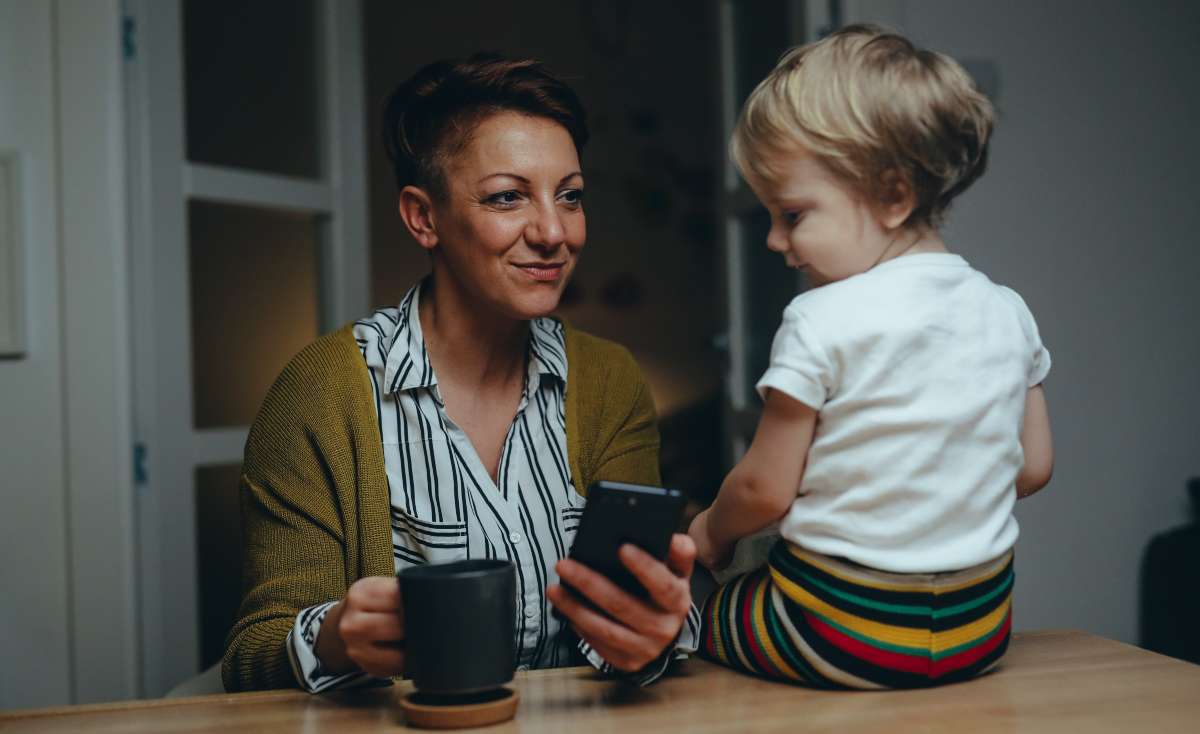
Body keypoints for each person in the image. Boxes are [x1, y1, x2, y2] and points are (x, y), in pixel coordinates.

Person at [222, 54, 699, 693]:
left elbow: (636, 613)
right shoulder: (320, 392)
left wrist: (654, 629)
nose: (555, 232)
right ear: (423, 217)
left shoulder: (609, 380)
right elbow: (253, 657)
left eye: (571, 196)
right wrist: (336, 637)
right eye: (508, 196)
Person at [687, 25, 1054, 689]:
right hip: (980, 630)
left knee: (699, 604)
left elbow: (764, 489)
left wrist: (708, 531)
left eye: (792, 215)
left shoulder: (819, 318)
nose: (773, 240)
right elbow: (1032, 469)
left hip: (839, 634)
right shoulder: (1008, 310)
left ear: (892, 195)